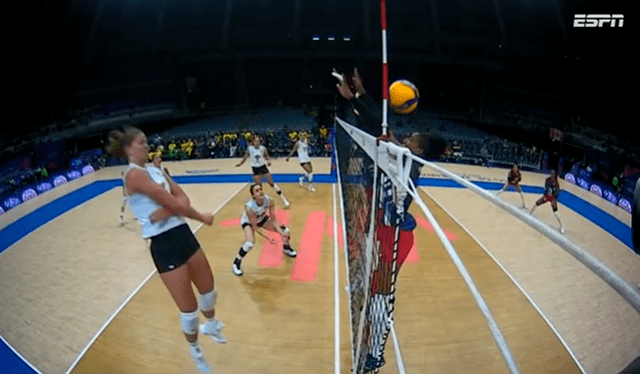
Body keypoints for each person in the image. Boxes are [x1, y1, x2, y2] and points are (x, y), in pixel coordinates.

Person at [336, 68, 445, 372]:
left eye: (411, 138)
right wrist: (358, 96)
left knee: (382, 294)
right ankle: (371, 335)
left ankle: (375, 355)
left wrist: (360, 96)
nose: (405, 138)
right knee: (374, 291)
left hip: (395, 236)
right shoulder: (402, 154)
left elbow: (376, 126)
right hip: (385, 227)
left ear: (419, 149)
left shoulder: (406, 161)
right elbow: (380, 129)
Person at [106, 126, 225, 373]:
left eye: (146, 141)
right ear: (129, 148)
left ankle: (212, 325)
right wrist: (202, 217)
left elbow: (183, 198)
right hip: (163, 244)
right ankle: (195, 351)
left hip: (182, 234)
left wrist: (171, 209)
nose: (146, 145)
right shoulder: (134, 175)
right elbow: (175, 202)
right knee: (190, 310)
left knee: (209, 289)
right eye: (141, 142)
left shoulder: (154, 170)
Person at [232, 184, 297, 276]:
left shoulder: (269, 201)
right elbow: (255, 227)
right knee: (250, 243)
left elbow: (274, 220)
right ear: (253, 195)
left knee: (286, 230)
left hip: (262, 219)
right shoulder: (249, 207)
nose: (260, 191)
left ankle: (286, 248)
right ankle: (236, 263)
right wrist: (268, 238)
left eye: (260, 189)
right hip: (249, 222)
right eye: (257, 191)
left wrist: (281, 233)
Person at [236, 135, 290, 208]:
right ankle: (259, 202)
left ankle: (283, 199)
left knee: (271, 183)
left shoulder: (263, 148)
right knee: (258, 186)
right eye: (255, 141)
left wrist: (269, 161)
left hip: (263, 167)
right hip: (255, 168)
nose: (257, 143)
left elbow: (266, 156)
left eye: (258, 141)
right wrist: (240, 163)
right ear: (253, 142)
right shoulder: (250, 149)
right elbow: (245, 156)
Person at [530, 169, 564, 234]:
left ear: (555, 176)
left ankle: (561, 226)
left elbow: (557, 193)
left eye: (553, 174)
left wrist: (554, 199)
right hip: (547, 195)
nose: (552, 175)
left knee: (555, 211)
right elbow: (545, 188)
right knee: (537, 203)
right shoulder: (547, 180)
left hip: (553, 197)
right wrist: (546, 195)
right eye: (551, 174)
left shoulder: (557, 183)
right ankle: (530, 214)